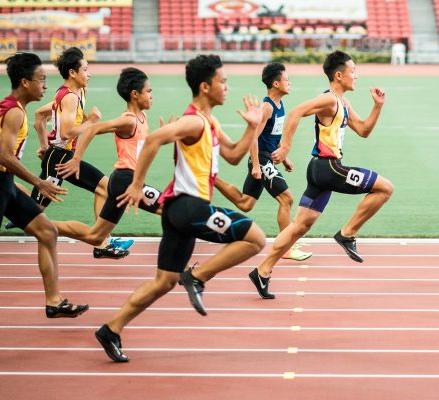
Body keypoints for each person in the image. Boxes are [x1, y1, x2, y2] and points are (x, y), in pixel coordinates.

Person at [95, 54, 266, 363]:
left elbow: (234, 155)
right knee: (256, 239)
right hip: (190, 207)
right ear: (205, 86)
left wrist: (253, 127)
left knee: (165, 281)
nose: (227, 87)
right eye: (222, 82)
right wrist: (136, 184)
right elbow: (152, 141)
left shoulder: (209, 120)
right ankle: (198, 277)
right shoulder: (193, 121)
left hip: (178, 212)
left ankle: (111, 329)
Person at [247, 50, 394, 300]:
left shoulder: (343, 102)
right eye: (353, 71)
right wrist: (285, 147)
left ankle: (262, 270)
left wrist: (377, 107)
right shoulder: (328, 100)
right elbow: (295, 113)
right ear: (339, 75)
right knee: (385, 188)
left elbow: (364, 130)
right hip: (329, 168)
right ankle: (347, 234)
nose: (356, 76)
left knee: (298, 227)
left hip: (319, 171)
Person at [0, 52, 88, 318]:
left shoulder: (2, 107)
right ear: (25, 82)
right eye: (41, 80)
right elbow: (7, 157)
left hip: (2, 184)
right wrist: (39, 182)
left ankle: (54, 302)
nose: (45, 86)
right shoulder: (13, 113)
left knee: (47, 232)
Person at [28, 47, 130, 258]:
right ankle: (1, 198)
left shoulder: (78, 92)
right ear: (72, 73)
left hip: (61, 155)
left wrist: (44, 144)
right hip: (58, 158)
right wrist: (92, 122)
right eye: (85, 69)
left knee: (104, 188)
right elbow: (66, 132)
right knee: (32, 212)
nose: (89, 74)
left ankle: (103, 242)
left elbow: (41, 115)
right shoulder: (69, 97)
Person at [50, 68, 164, 247]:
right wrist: (76, 159)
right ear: (135, 94)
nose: (152, 96)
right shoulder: (128, 120)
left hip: (121, 181)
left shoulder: (142, 116)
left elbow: (143, 145)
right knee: (170, 208)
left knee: (96, 236)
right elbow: (92, 128)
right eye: (148, 91)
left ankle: (39, 224)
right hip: (126, 180)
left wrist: (164, 134)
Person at [214, 62, 312, 261]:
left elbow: (271, 137)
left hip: (268, 158)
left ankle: (212, 178)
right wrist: (257, 164)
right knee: (287, 199)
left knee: (246, 203)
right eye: (286, 80)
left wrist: (284, 159)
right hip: (261, 159)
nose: (289, 83)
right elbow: (253, 137)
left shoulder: (279, 104)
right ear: (276, 84)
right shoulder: (266, 107)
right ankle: (286, 247)